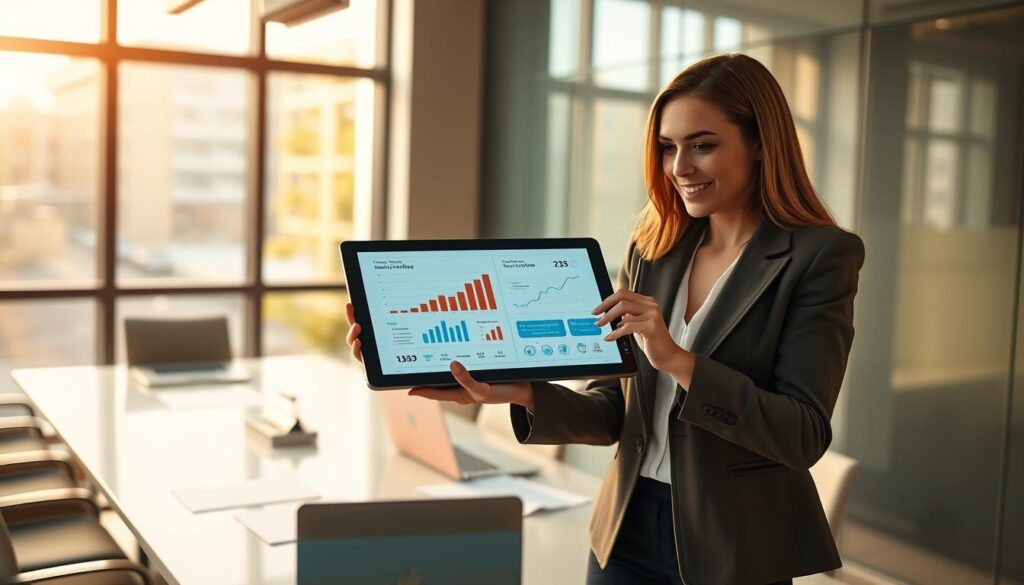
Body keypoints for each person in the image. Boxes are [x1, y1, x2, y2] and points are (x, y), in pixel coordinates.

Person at [346, 53, 865, 585]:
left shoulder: (819, 257)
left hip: (734, 548)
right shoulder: (653, 250)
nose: (680, 167)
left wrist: (679, 362)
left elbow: (802, 434)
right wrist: (520, 392)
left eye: (703, 145)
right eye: (668, 148)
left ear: (760, 143)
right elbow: (611, 414)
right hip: (625, 529)